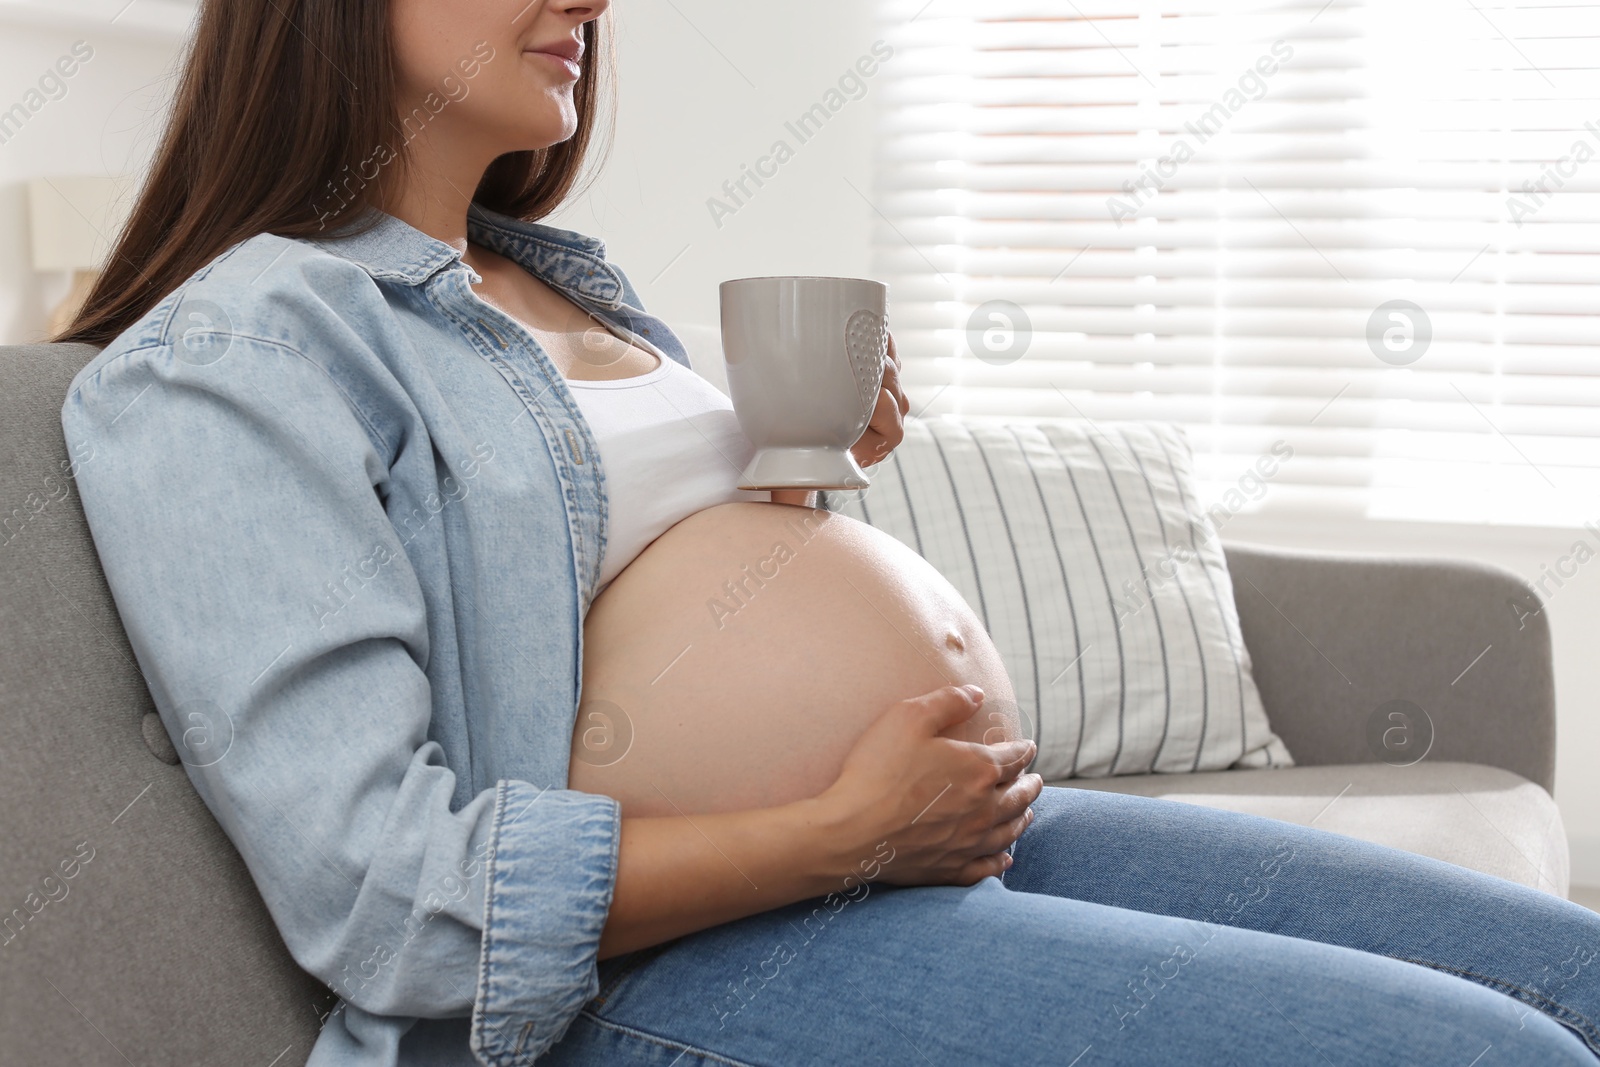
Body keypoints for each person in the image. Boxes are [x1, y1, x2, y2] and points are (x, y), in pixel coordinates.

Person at [59, 1, 1600, 1064]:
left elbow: (627, 603)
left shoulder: (555, 282)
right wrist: (835, 834)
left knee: (1576, 985)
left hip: (957, 839)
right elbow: (387, 900)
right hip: (660, 970)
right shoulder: (234, 358)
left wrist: (784, 469)